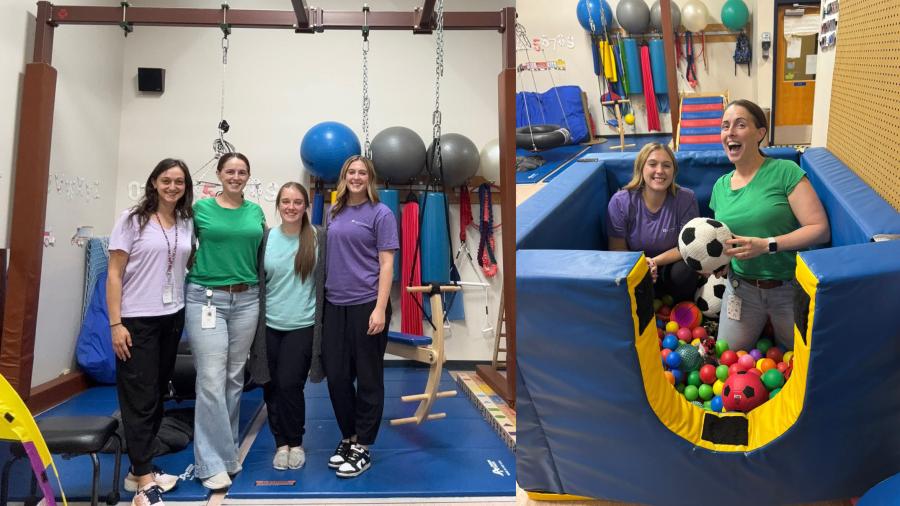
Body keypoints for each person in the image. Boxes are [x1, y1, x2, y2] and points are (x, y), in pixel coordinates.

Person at [107, 158, 194, 506]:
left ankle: (137, 471)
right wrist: (116, 324)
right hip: (136, 319)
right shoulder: (133, 219)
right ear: (154, 183)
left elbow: (184, 264)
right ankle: (144, 482)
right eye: (166, 180)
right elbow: (114, 274)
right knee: (139, 398)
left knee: (158, 394)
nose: (173, 187)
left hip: (172, 317)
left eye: (179, 182)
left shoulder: (185, 222)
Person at [712, 99, 830, 352]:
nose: (730, 132)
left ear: (760, 133)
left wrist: (767, 245)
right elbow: (720, 237)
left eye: (740, 124)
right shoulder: (720, 186)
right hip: (740, 289)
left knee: (797, 364)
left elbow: (819, 228)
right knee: (726, 359)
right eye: (725, 126)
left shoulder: (784, 171)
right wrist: (718, 261)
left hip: (787, 289)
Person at [184, 152, 265, 490]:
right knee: (211, 378)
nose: (235, 176)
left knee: (234, 378)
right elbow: (180, 246)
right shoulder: (200, 209)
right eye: (230, 171)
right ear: (218, 174)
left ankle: (227, 449)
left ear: (248, 176)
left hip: (247, 299)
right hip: (206, 299)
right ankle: (210, 462)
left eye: (242, 171)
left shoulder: (255, 211)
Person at [323, 155, 398, 478]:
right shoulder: (334, 210)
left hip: (367, 303)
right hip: (334, 305)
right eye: (351, 172)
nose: (356, 177)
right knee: (337, 377)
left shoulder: (381, 213)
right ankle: (349, 437)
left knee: (368, 379)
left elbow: (386, 264)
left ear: (370, 178)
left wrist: (380, 308)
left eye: (362, 173)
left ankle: (363, 446)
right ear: (344, 177)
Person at [251, 182, 326, 471]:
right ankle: (280, 443)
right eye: (286, 202)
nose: (291, 207)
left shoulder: (319, 237)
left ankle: (295, 441)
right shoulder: (266, 238)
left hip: (303, 325)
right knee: (269, 385)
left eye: (297, 202)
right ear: (278, 205)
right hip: (268, 325)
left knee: (290, 384)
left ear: (306, 206)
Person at [606, 142, 700, 303]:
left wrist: (654, 262)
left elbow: (687, 247)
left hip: (669, 268)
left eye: (666, 165)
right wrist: (642, 265)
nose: (660, 171)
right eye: (652, 164)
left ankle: (677, 306)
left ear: (673, 171)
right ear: (641, 168)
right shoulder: (621, 201)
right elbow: (616, 248)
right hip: (636, 266)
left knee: (686, 270)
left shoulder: (686, 198)